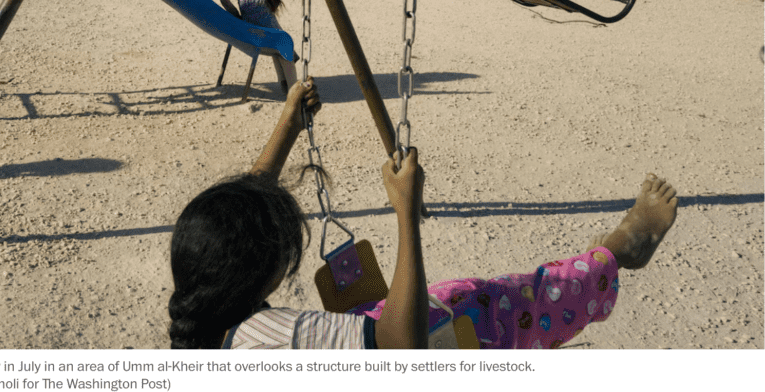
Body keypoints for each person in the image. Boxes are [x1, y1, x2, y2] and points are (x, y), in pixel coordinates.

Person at [168, 79, 679, 349]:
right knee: (487, 305)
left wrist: (288, 126)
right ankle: (612, 258)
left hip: (358, 340)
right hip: (403, 350)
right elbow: (400, 349)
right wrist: (405, 213)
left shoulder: (209, 313)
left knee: (408, 304)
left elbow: (244, 209)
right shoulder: (281, 341)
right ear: (267, 270)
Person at [218, 0, 297, 86]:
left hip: (252, 31)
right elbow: (273, 4)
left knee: (279, 49)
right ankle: (292, 86)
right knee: (284, 49)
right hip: (263, 33)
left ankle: (284, 82)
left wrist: (234, 13)